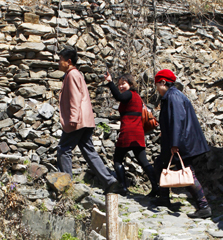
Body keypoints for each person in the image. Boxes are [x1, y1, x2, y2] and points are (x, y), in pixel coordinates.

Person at [56, 46, 120, 192]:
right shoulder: (76, 74)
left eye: (61, 60)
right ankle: (109, 181)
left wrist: (73, 117)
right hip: (85, 119)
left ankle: (66, 185)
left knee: (63, 149)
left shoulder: (71, 75)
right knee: (88, 150)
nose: (58, 63)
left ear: (69, 61)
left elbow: (75, 98)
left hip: (77, 120)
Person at [152, 68, 212, 219]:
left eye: (157, 85)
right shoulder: (173, 96)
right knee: (161, 165)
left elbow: (177, 121)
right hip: (180, 142)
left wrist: (175, 143)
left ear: (163, 82)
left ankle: (203, 206)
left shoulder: (173, 97)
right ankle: (164, 199)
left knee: (187, 174)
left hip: (181, 143)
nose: (157, 89)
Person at [103, 71, 158, 197]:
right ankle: (156, 187)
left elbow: (118, 97)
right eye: (119, 84)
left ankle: (123, 187)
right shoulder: (137, 97)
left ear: (130, 84)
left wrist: (110, 82)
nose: (121, 86)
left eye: (124, 83)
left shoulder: (129, 95)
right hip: (138, 133)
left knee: (117, 160)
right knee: (144, 161)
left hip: (128, 132)